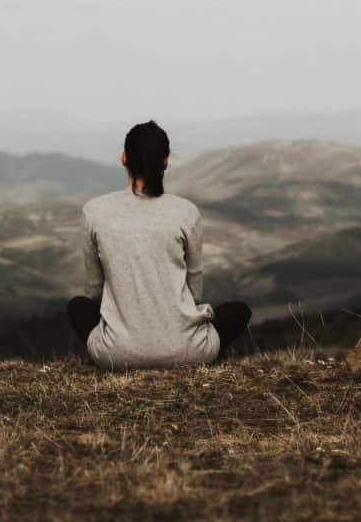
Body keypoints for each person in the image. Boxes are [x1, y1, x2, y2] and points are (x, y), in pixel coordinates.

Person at [66, 119, 251, 369]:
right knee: (237, 311)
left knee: (78, 307)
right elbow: (194, 290)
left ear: (123, 158)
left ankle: (123, 347)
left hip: (116, 355)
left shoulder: (94, 211)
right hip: (188, 352)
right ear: (165, 162)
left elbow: (95, 290)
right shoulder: (186, 211)